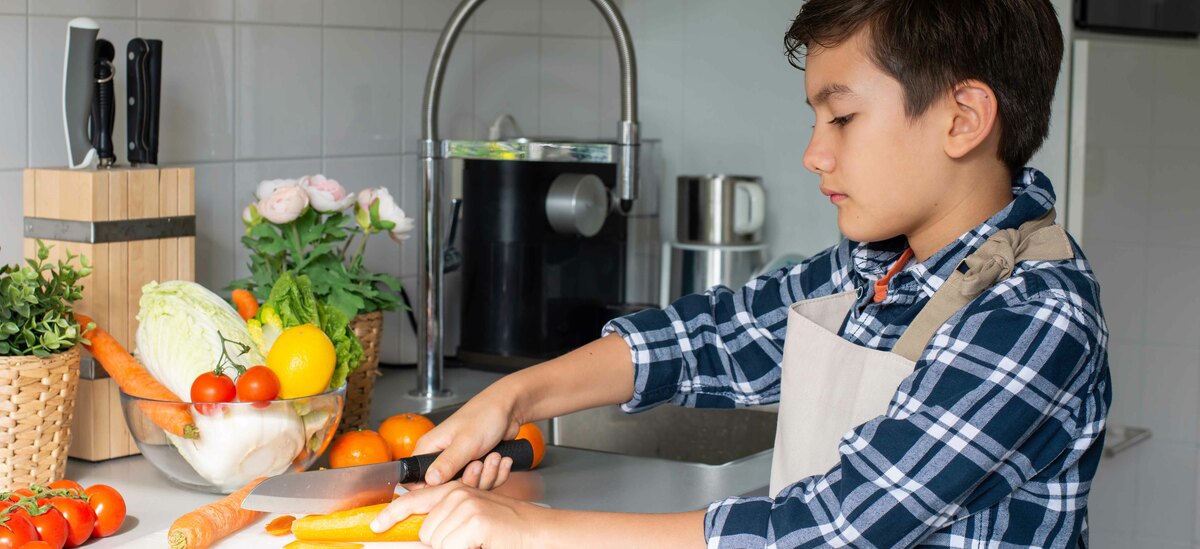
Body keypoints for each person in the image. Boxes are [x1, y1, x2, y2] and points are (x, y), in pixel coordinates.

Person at [370, 0, 1110, 547]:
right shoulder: (876, 268)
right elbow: (711, 336)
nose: (814, 153)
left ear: (963, 118)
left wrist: (531, 530)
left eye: (841, 118)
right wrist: (514, 396)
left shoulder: (1034, 311)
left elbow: (832, 527)